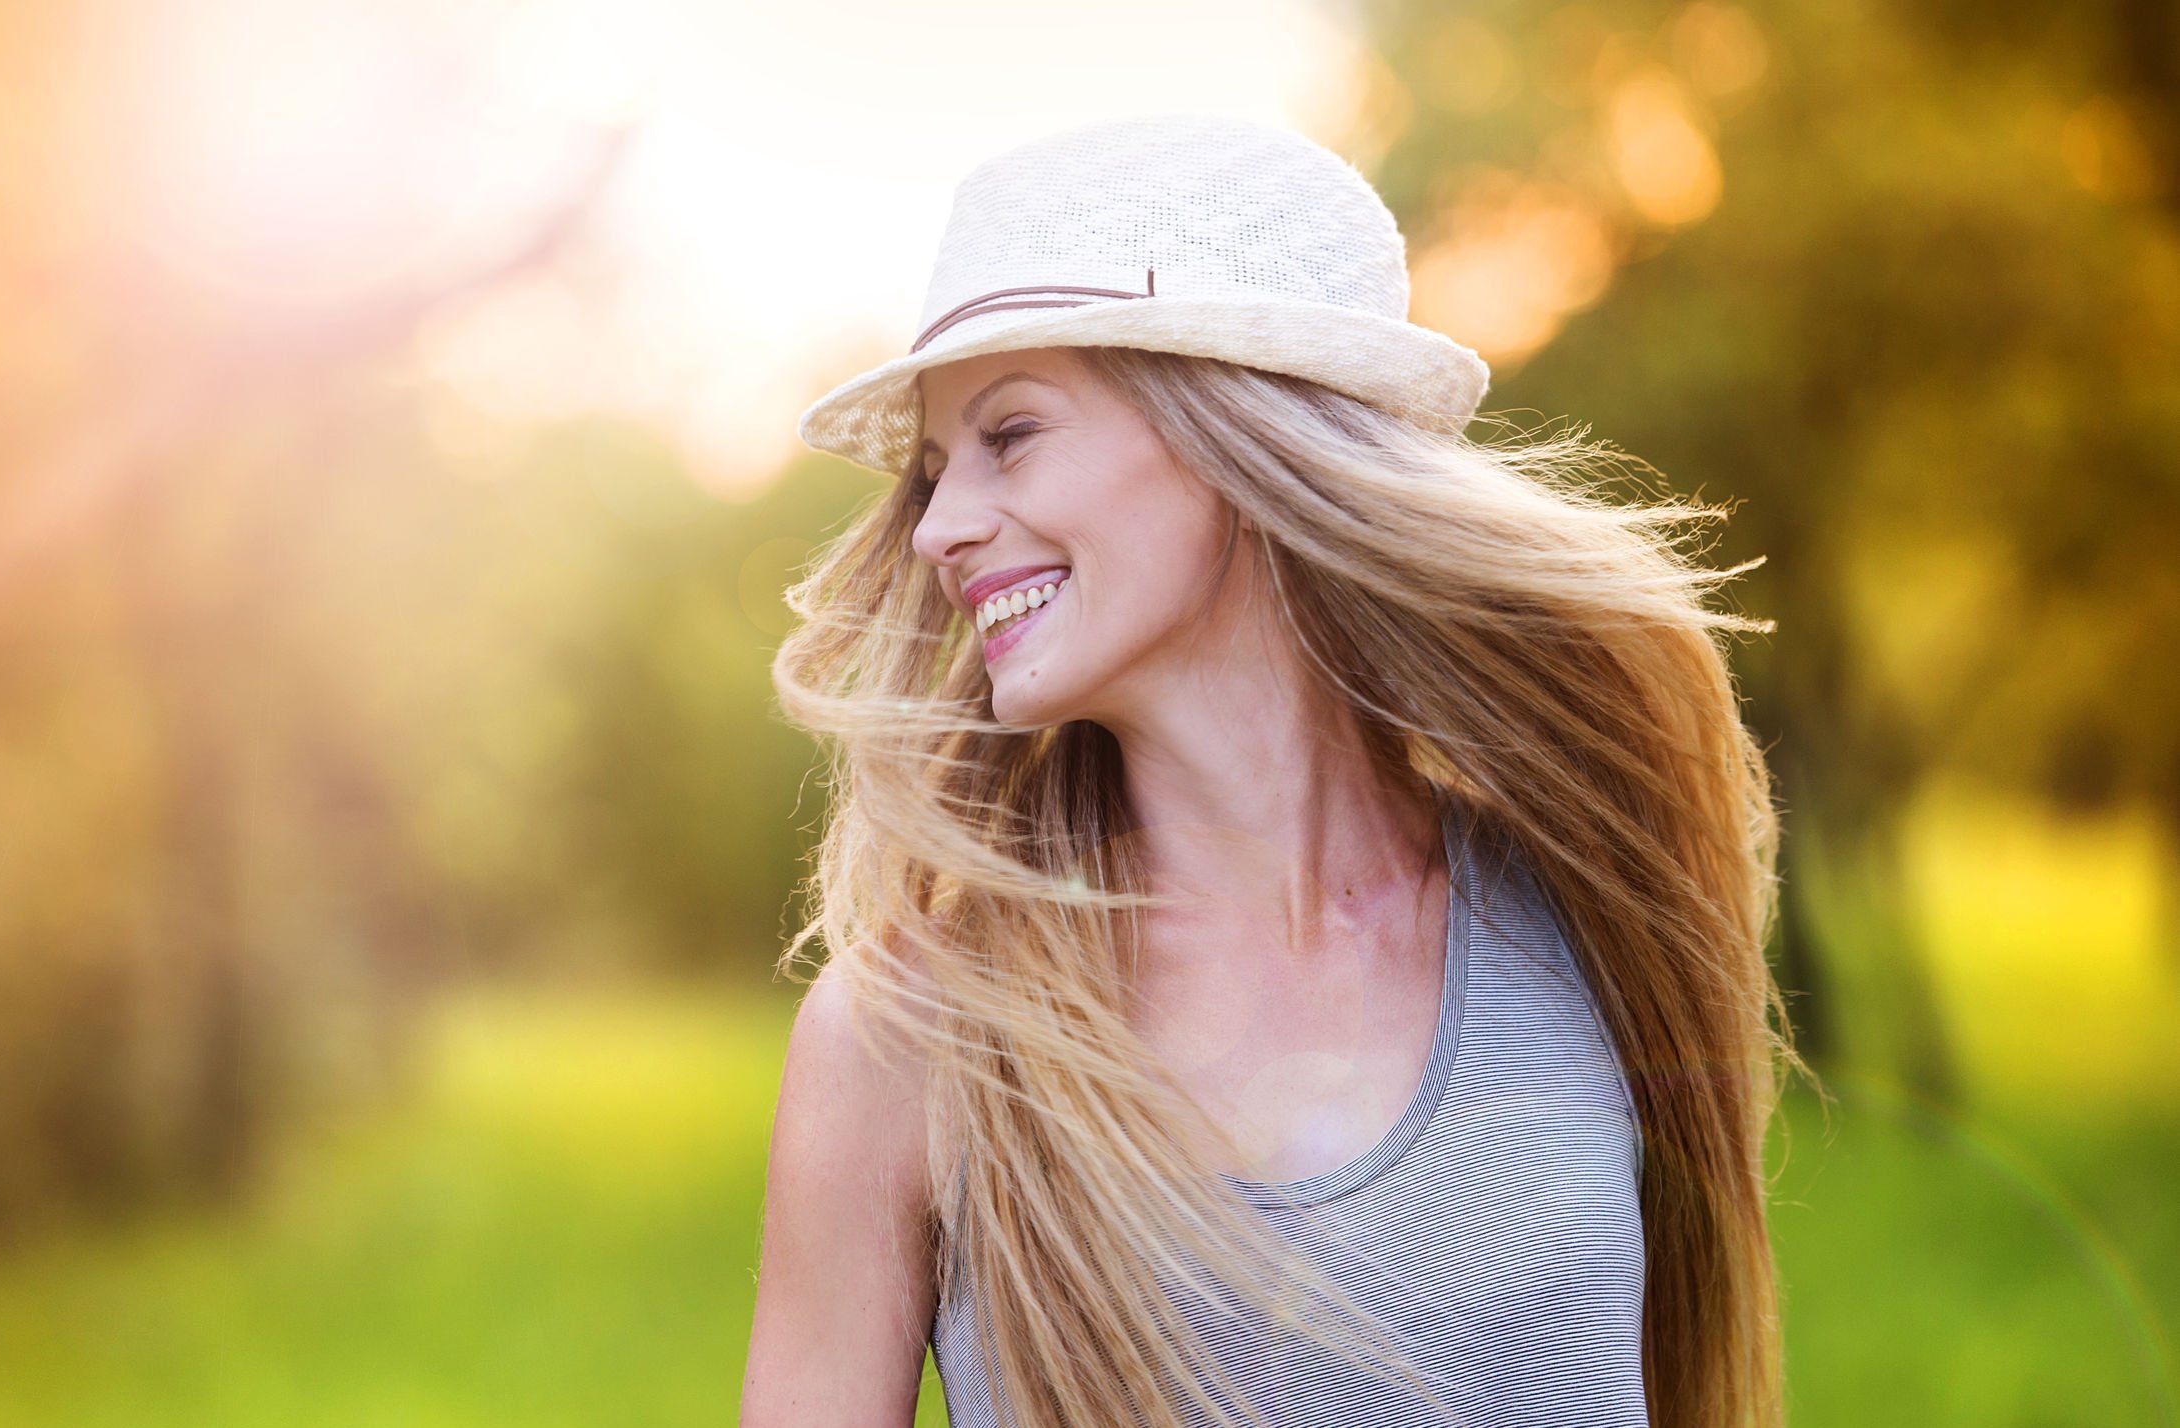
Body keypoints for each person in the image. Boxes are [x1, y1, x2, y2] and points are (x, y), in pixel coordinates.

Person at [740, 113, 1812, 1428]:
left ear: (1233, 438)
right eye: (933, 468)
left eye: (1010, 435)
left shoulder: (1591, 905)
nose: (942, 528)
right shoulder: (905, 1039)